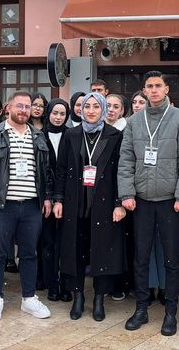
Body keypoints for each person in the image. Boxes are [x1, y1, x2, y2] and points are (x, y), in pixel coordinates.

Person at [118, 70, 179, 337]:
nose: (153, 90)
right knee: (140, 257)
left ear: (166, 89)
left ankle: (171, 312)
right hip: (140, 201)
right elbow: (126, 160)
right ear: (144, 90)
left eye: (157, 86)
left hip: (170, 202)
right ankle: (141, 307)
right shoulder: (134, 121)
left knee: (172, 260)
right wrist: (126, 194)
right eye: (149, 86)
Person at [0, 91, 54, 321]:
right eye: (20, 106)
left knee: (29, 253)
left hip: (31, 205)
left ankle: (28, 298)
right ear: (8, 108)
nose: (24, 110)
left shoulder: (38, 136)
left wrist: (47, 197)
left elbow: (46, 172)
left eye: (28, 107)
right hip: (2, 205)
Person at [53, 92, 126, 321]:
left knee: (102, 251)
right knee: (75, 249)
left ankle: (98, 298)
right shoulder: (71, 135)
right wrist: (58, 199)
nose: (91, 111)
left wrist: (118, 203)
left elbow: (119, 172)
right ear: (81, 109)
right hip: (76, 202)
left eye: (96, 106)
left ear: (103, 110)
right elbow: (61, 170)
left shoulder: (115, 135)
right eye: (87, 107)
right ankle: (78, 297)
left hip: (104, 203)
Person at [38, 98, 69, 303]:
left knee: (65, 244)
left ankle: (65, 284)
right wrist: (48, 197)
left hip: (68, 199)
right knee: (47, 242)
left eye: (62, 114)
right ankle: (50, 283)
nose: (58, 117)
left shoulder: (73, 135)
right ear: (48, 113)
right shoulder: (39, 136)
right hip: (46, 199)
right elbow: (41, 172)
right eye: (55, 113)